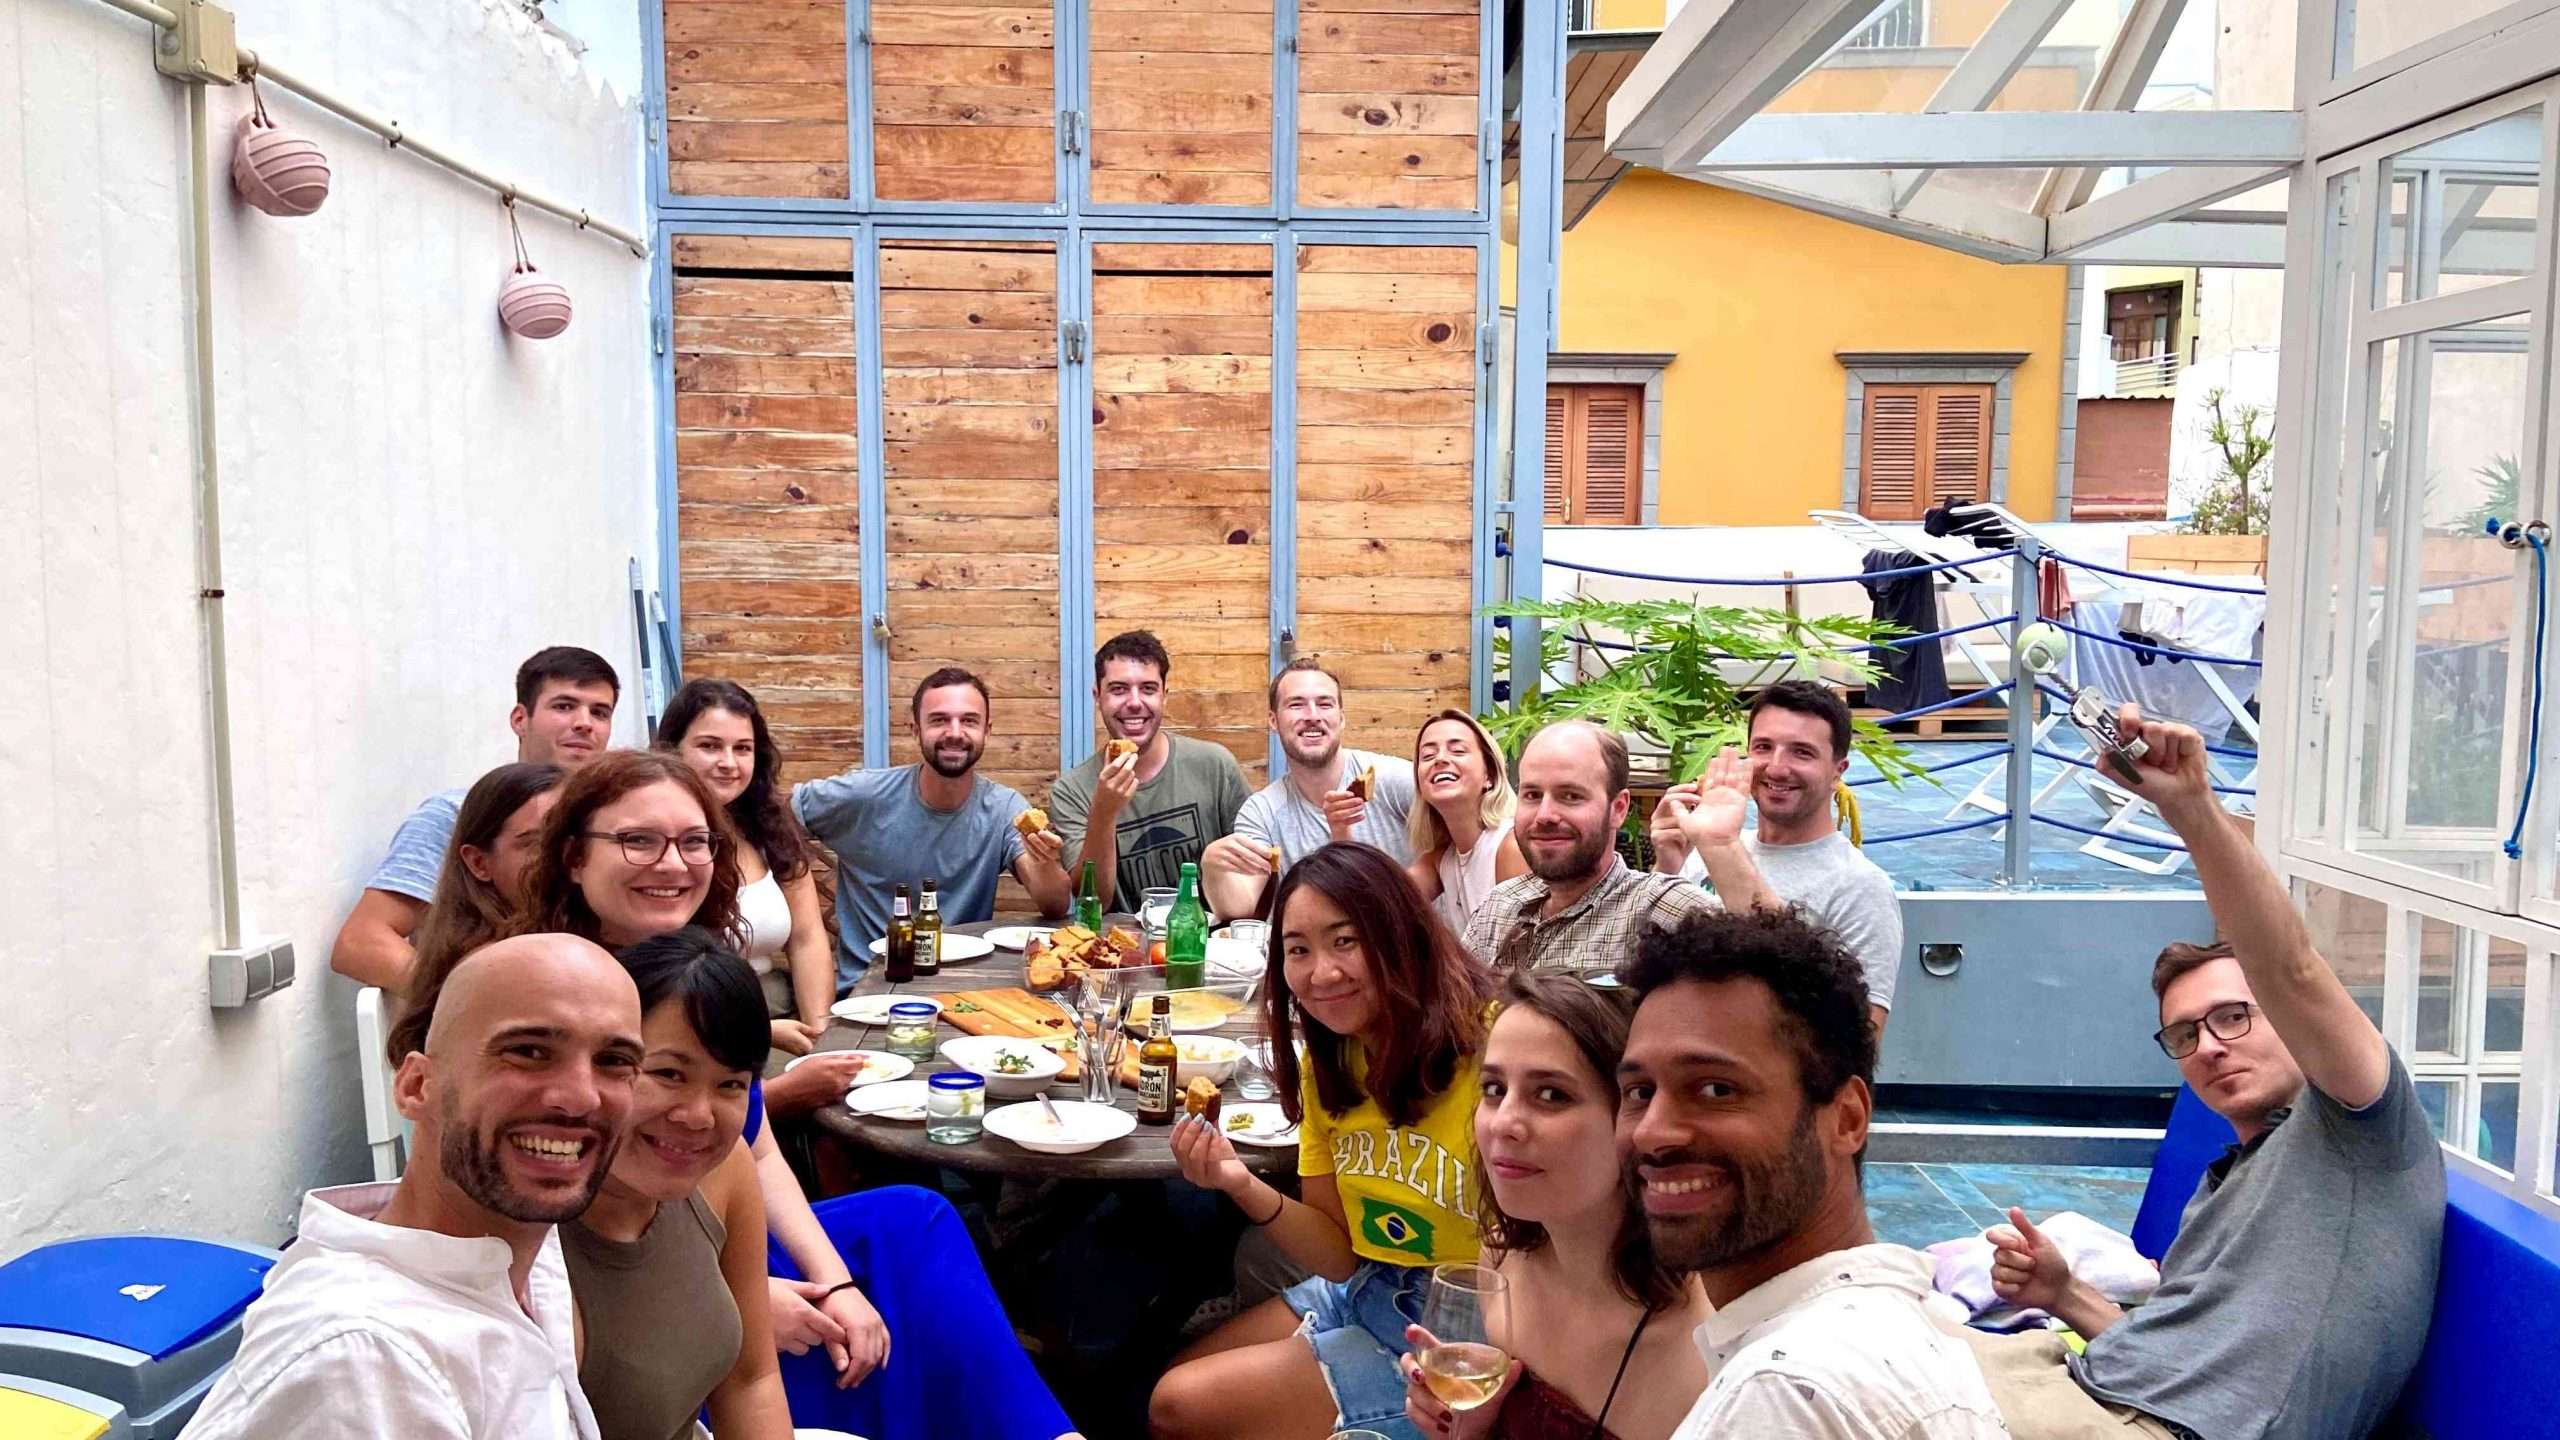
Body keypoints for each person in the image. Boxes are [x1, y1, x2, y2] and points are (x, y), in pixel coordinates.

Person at [512, 753, 1078, 1440]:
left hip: (716, 1245)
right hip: (615, 1290)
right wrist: (733, 1302)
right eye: (638, 840)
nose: (673, 863)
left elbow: (753, 1151)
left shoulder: (702, 973)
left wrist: (830, 1280)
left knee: (911, 1220)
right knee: (883, 1267)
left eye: (695, 842)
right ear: (574, 856)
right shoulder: (544, 1000)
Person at [1965, 704, 2446, 1440]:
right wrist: (2063, 1292)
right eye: (2186, 1034)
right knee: (1839, 1327)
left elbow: (2290, 966)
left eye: (2234, 1016)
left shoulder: (2359, 1132)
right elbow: (2174, 1346)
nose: (2211, 1046)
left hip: (2158, 1429)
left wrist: (2192, 809)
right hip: (2086, 1390)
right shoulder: (2224, 1185)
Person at [185, 934, 643, 1439]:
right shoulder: (365, 1364)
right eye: (529, 1051)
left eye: (615, 1061)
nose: (580, 1098)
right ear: (415, 1086)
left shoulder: (519, 1247)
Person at [1151, 843, 1495, 1440]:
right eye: (1298, 950)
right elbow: (1339, 1253)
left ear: (1399, 934)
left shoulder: (1495, 1048)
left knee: (1180, 1405)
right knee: (1181, 1375)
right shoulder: (1329, 1063)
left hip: (1464, 1324)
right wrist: (1236, 1180)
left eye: (1346, 941)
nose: (1322, 973)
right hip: (1372, 1285)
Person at [1619, 910, 2004, 1439]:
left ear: (1846, 1118)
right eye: (1640, 1093)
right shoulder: (1891, 1329)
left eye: (1716, 1089)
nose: (1652, 1133)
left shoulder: (1783, 1396)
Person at [1398, 970, 1710, 1440]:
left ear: (1636, 1122)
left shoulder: (1702, 1347)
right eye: (1494, 1089)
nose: (1504, 1124)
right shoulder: (1502, 1261)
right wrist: (1470, 1429)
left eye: (1551, 1095)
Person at [563, 930, 790, 1440]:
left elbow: (752, 1379)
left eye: (730, 1084)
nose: (697, 1116)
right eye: (668, 1073)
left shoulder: (726, 1169)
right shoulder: (529, 1222)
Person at [330, 645, 619, 992]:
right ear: (520, 719)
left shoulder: (613, 823)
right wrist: (471, 1001)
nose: (584, 723)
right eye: (564, 706)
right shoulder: (456, 816)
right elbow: (361, 943)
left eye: (600, 712)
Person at [793, 667, 1072, 988]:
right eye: (939, 720)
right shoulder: (864, 795)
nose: (955, 732)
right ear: (915, 730)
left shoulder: (1004, 808)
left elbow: (1055, 905)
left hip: (963, 985)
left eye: (969, 721)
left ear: (987, 731)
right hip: (870, 988)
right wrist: (790, 881)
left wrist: (1046, 862)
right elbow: (772, 816)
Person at [1647, 681, 1902, 1032]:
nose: (1777, 768)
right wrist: (1668, 869)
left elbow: (1859, 1038)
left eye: (1802, 752)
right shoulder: (1702, 852)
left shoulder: (1859, 887)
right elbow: (1650, 972)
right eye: (1764, 747)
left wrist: (1722, 848)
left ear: (1837, 772)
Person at [657, 678, 834, 1052]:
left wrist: (821, 1035)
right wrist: (763, 1037)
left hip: (776, 1009)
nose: (728, 763)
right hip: (692, 1033)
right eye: (709, 746)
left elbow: (806, 938)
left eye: (743, 748)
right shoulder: (653, 838)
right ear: (672, 750)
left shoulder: (765, 826)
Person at [1462, 721, 1712, 975]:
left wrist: (1723, 847)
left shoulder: (1657, 909)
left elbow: (1752, 959)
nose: (1544, 815)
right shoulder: (1500, 904)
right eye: (1533, 795)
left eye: (1570, 796)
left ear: (1618, 809)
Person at [1048, 630, 1252, 913]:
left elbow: (1253, 873)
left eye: (1148, 689)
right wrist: (1104, 813)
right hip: (1122, 950)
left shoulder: (1214, 765)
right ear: (1098, 697)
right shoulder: (1071, 790)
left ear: (1164, 696)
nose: (1134, 702)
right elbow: (1095, 902)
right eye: (1118, 689)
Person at [1202, 659, 1418, 919]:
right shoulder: (1261, 811)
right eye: (1296, 705)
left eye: (1325, 704)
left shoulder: (1394, 780)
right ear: (1273, 720)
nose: (1313, 716)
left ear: (1342, 717)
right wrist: (1212, 870)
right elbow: (1243, 909)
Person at [385, 761, 566, 1066]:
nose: (559, 858)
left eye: (569, 839)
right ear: (479, 863)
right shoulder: (495, 968)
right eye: (534, 844)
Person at [1402, 709, 1527, 938]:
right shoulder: (1442, 860)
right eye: (1427, 756)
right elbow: (1381, 905)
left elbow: (1520, 961)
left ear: (1489, 775)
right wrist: (1342, 828)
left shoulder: (1510, 846)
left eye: (1458, 750)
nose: (1440, 759)